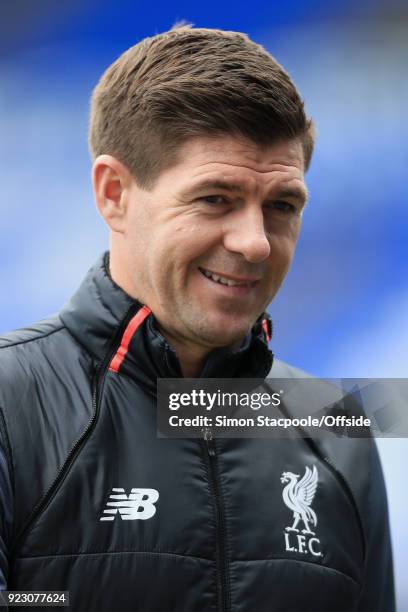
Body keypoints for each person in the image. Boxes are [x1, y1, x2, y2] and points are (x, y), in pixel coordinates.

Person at [0, 25, 394, 611]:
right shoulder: (12, 404)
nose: (256, 243)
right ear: (115, 194)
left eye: (282, 205)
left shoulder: (338, 430)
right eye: (215, 199)